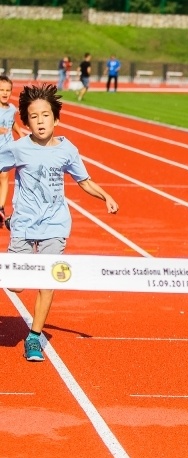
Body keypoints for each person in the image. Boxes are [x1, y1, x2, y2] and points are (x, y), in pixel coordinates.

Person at [0, 83, 119, 362]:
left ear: (56, 118)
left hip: (55, 224)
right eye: (34, 116)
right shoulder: (18, 149)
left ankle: (33, 337)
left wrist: (106, 196)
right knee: (16, 284)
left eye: (45, 115)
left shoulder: (67, 149)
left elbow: (84, 181)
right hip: (25, 224)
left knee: (47, 279)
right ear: (26, 122)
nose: (40, 121)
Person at [0, 75, 25, 230]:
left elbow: (13, 122)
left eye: (8, 90)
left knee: (4, 176)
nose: (4, 93)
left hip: (7, 148)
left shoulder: (11, 109)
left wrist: (20, 134)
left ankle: (1, 207)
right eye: (1, 90)